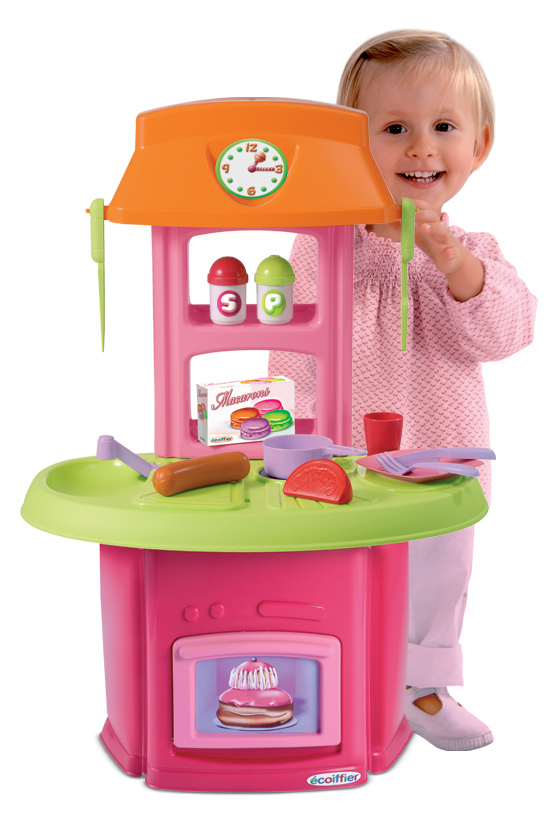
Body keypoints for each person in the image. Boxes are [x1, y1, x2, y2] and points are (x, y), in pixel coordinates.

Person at [269, 30, 537, 751]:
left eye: (444, 127)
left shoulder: (475, 254)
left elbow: (508, 334)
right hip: (340, 462)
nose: (421, 147)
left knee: (436, 580)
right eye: (394, 129)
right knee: (332, 574)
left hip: (440, 460)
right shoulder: (322, 244)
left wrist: (453, 265)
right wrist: (290, 435)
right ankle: (335, 677)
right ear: (354, 147)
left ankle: (421, 687)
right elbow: (291, 349)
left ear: (479, 145)